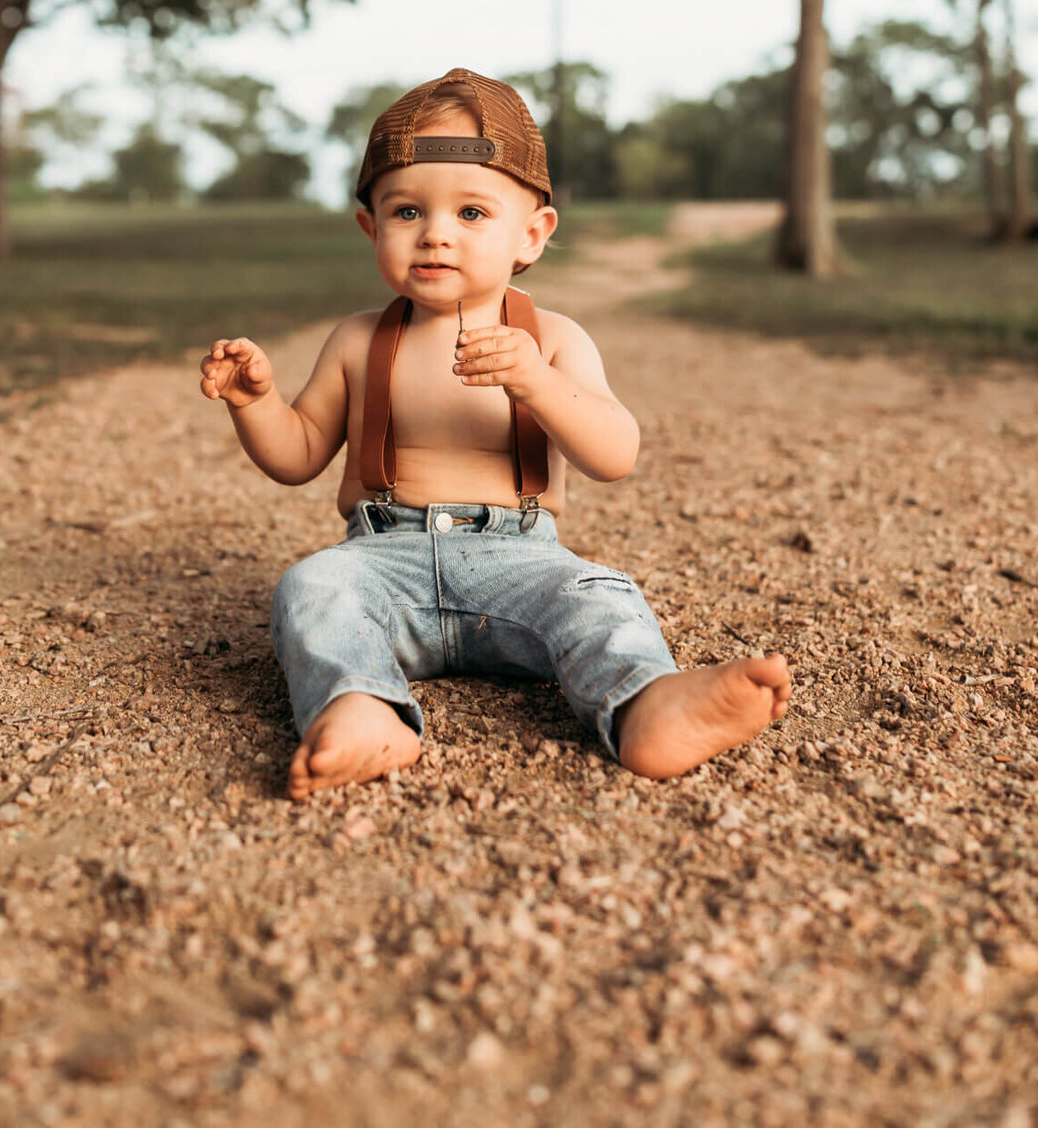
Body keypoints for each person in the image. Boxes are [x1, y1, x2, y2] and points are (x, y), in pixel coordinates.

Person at [200, 68, 790, 801]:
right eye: (407, 211)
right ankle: (362, 707)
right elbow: (297, 455)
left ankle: (646, 705)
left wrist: (541, 384)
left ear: (531, 235)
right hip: (386, 558)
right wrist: (255, 403)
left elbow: (615, 455)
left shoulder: (554, 339)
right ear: (370, 227)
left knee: (597, 595)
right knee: (313, 587)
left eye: (472, 214)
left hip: (519, 562)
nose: (436, 234)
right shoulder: (357, 341)